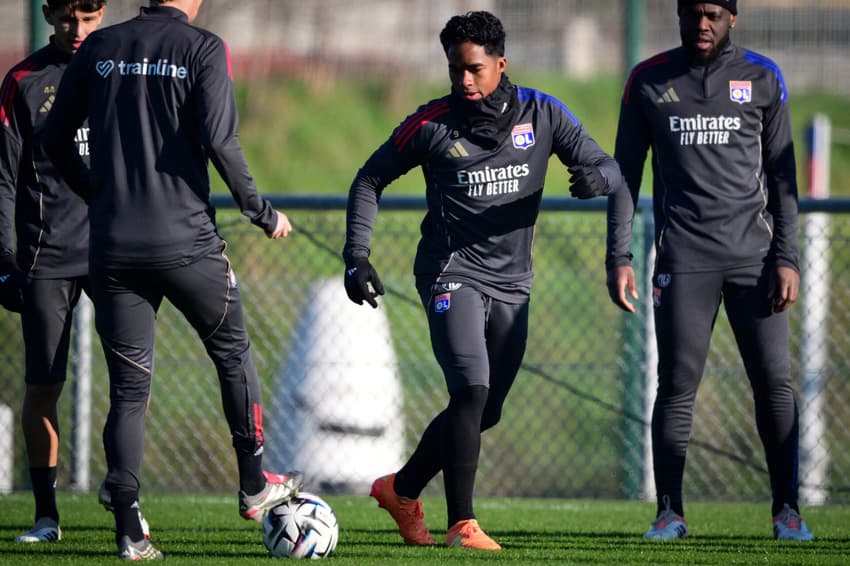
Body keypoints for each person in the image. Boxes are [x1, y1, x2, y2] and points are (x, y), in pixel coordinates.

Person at [343, 10, 620, 551]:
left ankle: (400, 491)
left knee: (483, 411)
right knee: (470, 390)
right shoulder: (431, 125)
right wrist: (357, 255)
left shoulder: (542, 113)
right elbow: (368, 179)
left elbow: (608, 167)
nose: (463, 81)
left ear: (500, 64)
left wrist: (595, 178)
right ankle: (462, 524)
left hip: (513, 284)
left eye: (473, 69)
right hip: (451, 272)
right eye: (454, 71)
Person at [42, 0, 302, 559]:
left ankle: (130, 531)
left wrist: (98, 194)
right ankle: (254, 485)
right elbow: (221, 141)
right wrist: (261, 212)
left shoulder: (102, 47)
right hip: (187, 246)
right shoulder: (203, 48)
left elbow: (55, 139)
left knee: (129, 392)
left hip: (112, 249)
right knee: (233, 355)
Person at [606, 0, 814, 542]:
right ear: (678, 16)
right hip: (683, 260)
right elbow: (625, 175)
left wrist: (787, 257)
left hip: (755, 261)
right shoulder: (648, 81)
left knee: (774, 384)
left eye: (715, 13)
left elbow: (783, 176)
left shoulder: (762, 78)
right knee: (676, 387)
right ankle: (669, 513)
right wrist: (619, 255)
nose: (703, 23)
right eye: (694, 12)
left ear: (732, 19)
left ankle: (787, 511)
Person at [0, 0, 124, 544]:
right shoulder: (23, 81)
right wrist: (4, 261)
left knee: (130, 383)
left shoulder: (118, 68)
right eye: (68, 19)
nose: (78, 31)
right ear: (49, 14)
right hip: (46, 257)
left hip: (117, 251)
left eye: (90, 19)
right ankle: (46, 516)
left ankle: (124, 485)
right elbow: (3, 179)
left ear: (103, 15)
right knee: (43, 387)